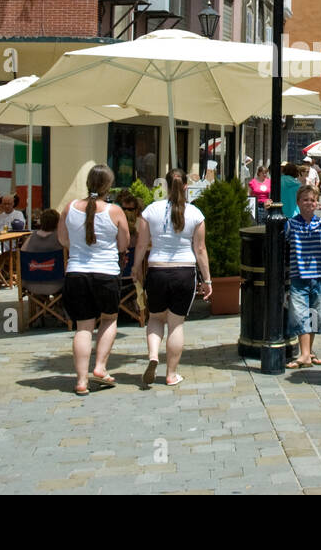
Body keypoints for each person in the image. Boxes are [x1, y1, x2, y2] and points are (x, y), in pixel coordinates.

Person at [133, 169, 210, 388]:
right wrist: (207, 279)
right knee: (176, 325)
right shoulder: (195, 213)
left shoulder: (151, 210)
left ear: (165, 186)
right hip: (184, 271)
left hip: (157, 270)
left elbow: (141, 244)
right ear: (186, 186)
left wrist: (136, 267)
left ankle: (153, 356)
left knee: (156, 319)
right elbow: (201, 248)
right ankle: (171, 373)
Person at [58, 165, 128, 395]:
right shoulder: (115, 211)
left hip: (76, 272)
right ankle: (100, 367)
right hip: (106, 273)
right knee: (109, 320)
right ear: (109, 185)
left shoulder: (69, 207)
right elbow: (124, 244)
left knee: (83, 328)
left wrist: (79, 247)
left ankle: (80, 380)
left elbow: (62, 240)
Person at [284, 185, 321, 369]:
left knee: (314, 314)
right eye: (305, 200)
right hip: (299, 275)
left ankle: (307, 352)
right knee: (300, 315)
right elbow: (280, 236)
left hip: (318, 276)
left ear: (317, 203)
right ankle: (305, 354)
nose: (309, 203)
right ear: (298, 203)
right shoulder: (292, 223)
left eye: (313, 200)